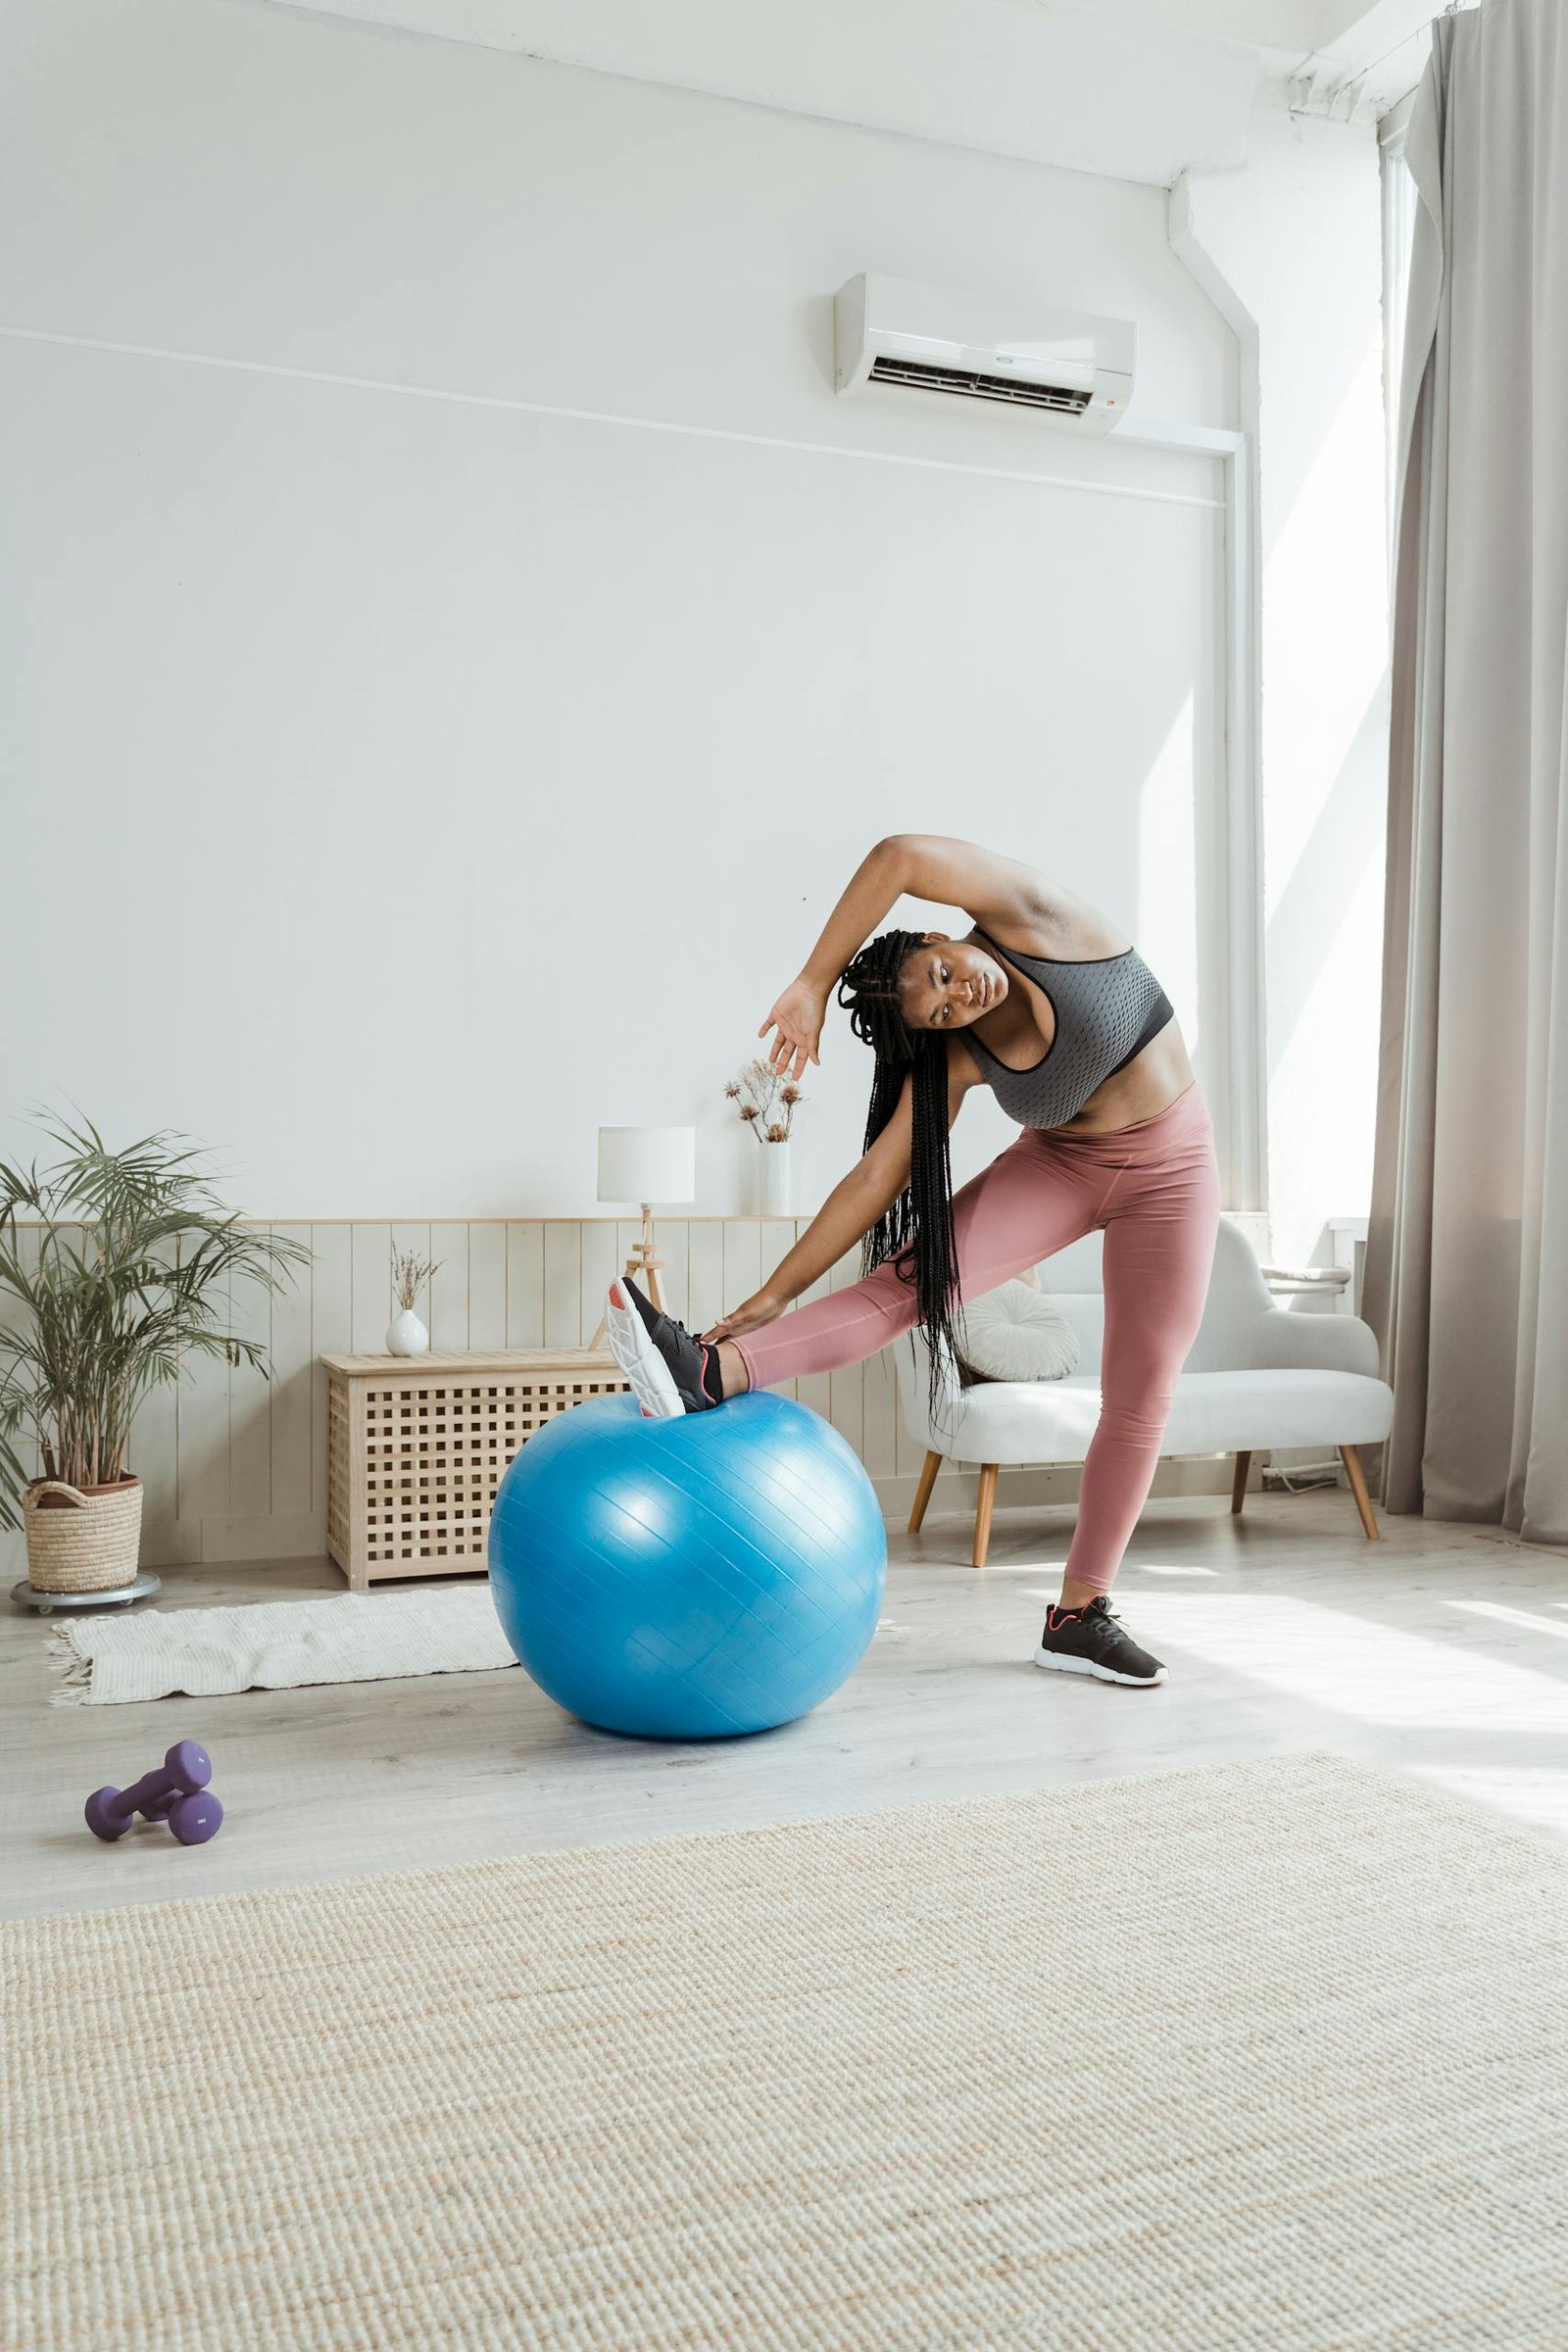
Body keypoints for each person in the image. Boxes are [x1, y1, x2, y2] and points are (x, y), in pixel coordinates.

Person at [606, 834, 1219, 1688]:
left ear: (939, 937)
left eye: (940, 975)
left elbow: (897, 855)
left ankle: (1078, 1616)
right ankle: (707, 1370)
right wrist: (773, 1293)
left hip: (1174, 1166)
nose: (956, 995)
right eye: (938, 1012)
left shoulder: (1038, 919)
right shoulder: (961, 1055)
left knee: (1143, 1390)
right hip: (1063, 1166)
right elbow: (873, 1179)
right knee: (906, 1286)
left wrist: (812, 984)